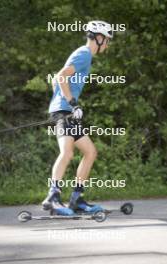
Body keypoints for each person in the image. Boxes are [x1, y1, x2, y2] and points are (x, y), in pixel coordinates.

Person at [42, 21, 113, 215]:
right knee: (67, 152)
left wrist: (60, 101)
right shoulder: (84, 54)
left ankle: (77, 199)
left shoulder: (84, 55)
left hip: (65, 110)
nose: (107, 45)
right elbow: (62, 76)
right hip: (65, 111)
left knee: (90, 152)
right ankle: (53, 197)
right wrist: (71, 103)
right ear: (98, 38)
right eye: (107, 40)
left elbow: (57, 80)